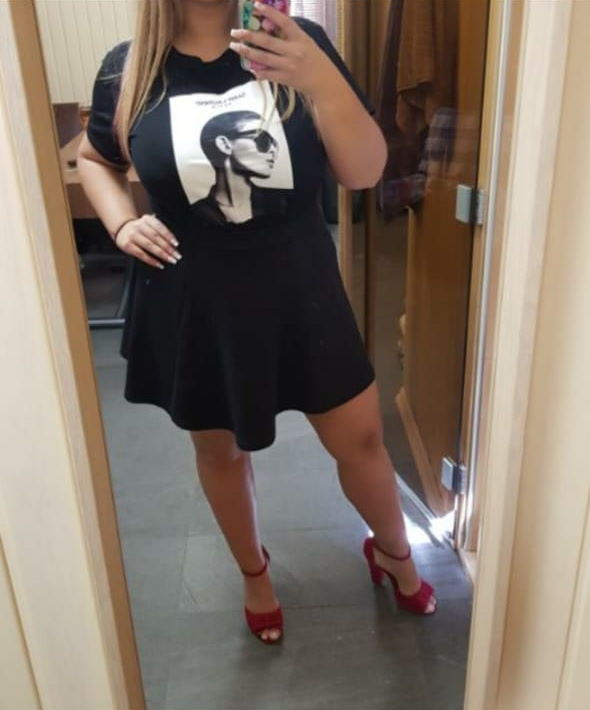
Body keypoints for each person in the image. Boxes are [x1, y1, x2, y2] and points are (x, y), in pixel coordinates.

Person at [77, 0, 437, 646]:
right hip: (197, 301)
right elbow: (95, 157)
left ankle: (393, 552)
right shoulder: (128, 70)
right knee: (220, 451)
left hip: (302, 289)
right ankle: (254, 573)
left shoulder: (299, 44)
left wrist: (319, 79)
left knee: (360, 439)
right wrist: (121, 222)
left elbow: (363, 172)